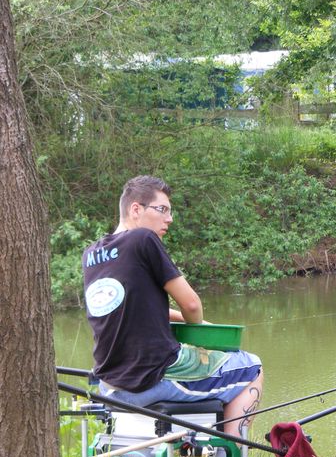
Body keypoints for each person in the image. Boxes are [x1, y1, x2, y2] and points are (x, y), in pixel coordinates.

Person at [82, 175, 263, 438]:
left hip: (110, 387)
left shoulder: (92, 253)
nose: (170, 219)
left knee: (222, 370)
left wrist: (178, 319)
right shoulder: (143, 239)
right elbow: (191, 303)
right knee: (251, 367)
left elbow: (131, 308)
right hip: (153, 378)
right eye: (162, 209)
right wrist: (201, 330)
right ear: (136, 209)